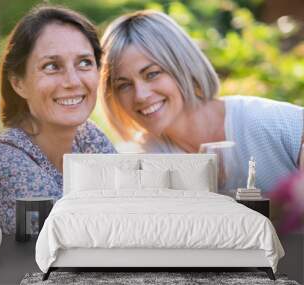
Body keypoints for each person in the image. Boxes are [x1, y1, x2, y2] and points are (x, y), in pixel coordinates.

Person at [99, 10, 304, 194]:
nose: (140, 95)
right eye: (123, 85)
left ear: (183, 66)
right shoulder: (147, 157)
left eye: (152, 74)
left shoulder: (267, 123)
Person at [0, 6, 116, 234]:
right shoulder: (3, 162)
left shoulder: (88, 137)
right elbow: (77, 238)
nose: (73, 81)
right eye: (52, 66)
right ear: (19, 83)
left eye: (84, 62)